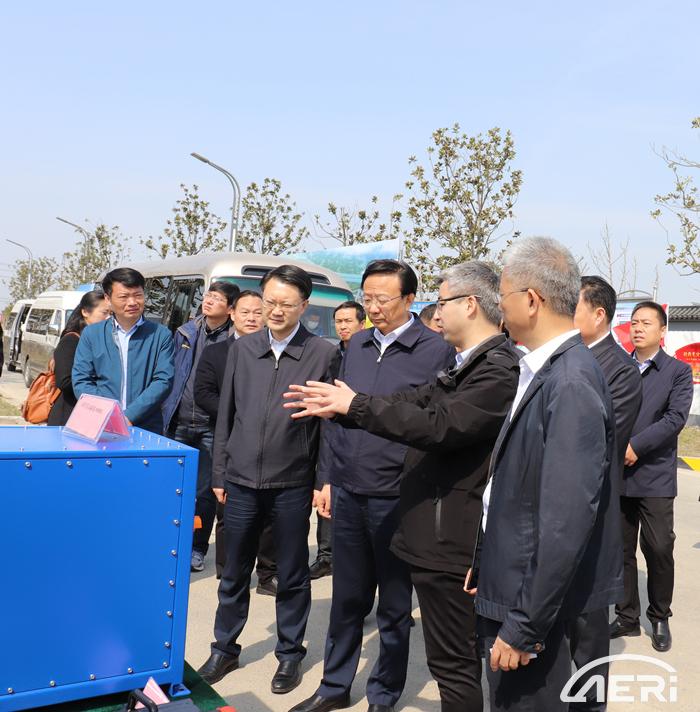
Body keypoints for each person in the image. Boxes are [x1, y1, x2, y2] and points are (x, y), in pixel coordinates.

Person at [285, 262, 519, 712]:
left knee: (397, 610)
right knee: (347, 600)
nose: (372, 307)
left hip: (402, 497)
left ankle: (383, 693)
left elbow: (434, 422)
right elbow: (385, 405)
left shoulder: (450, 354)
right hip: (352, 489)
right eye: (367, 298)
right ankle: (335, 686)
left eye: (383, 299)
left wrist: (355, 405)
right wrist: (334, 455)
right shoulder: (357, 345)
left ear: (409, 299)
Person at [471, 237, 622, 712]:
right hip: (515, 579)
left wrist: (524, 625)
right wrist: (487, 558)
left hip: (532, 602)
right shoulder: (543, 369)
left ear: (532, 300)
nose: (499, 305)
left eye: (504, 295)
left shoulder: (570, 381)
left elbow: (565, 520)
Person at [198, 265, 336, 695]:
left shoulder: (322, 353)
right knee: (233, 571)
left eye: (286, 304)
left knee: (292, 574)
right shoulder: (243, 348)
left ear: (304, 306)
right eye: (269, 302)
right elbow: (227, 415)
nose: (275, 311)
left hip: (292, 483)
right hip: (239, 480)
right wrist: (220, 471)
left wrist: (323, 480)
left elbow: (329, 428)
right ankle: (224, 648)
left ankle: (290, 653)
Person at [572, 275, 642, 710]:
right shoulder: (563, 358)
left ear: (599, 315)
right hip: (556, 507)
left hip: (591, 506)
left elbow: (596, 442)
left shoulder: (620, 370)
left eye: (573, 306)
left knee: (588, 621)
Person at [610, 300, 693, 652]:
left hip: (655, 475)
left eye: (646, 322)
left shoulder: (677, 371)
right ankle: (626, 616)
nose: (638, 328)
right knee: (620, 549)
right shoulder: (618, 367)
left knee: (659, 547)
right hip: (617, 473)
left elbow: (675, 418)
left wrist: (636, 447)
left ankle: (659, 615)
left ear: (662, 331)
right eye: (634, 322)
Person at [194, 289, 277, 592]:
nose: (252, 318)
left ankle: (268, 573)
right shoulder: (217, 352)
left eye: (258, 312)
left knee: (270, 512)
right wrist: (238, 415)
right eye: (245, 312)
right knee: (227, 507)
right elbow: (203, 393)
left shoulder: (276, 352)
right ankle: (228, 571)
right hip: (228, 437)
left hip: (271, 441)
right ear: (232, 314)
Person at [161, 281, 240, 573]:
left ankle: (197, 548)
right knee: (173, 487)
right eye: (208, 295)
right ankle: (170, 544)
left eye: (217, 298)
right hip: (178, 420)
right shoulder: (185, 331)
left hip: (211, 425)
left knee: (205, 491)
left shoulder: (234, 341)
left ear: (230, 309)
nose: (209, 301)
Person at [72, 267, 174, 433]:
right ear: (108, 299)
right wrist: (108, 415)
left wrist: (129, 416)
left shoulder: (161, 335)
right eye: (124, 297)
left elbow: (163, 381)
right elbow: (82, 380)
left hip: (145, 426)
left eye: (138, 295)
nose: (132, 302)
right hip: (101, 425)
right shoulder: (92, 334)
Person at [309, 299, 366, 581]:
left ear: (362, 323)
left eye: (348, 321)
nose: (343, 326)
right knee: (325, 487)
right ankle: (326, 555)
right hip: (328, 427)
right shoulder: (332, 354)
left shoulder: (367, 355)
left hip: (359, 429)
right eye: (339, 322)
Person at [48, 291, 111, 426]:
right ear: (85, 312)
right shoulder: (71, 340)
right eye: (104, 313)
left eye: (111, 314)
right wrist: (99, 386)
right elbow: (64, 381)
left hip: (93, 416)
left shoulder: (103, 339)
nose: (108, 318)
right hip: (68, 416)